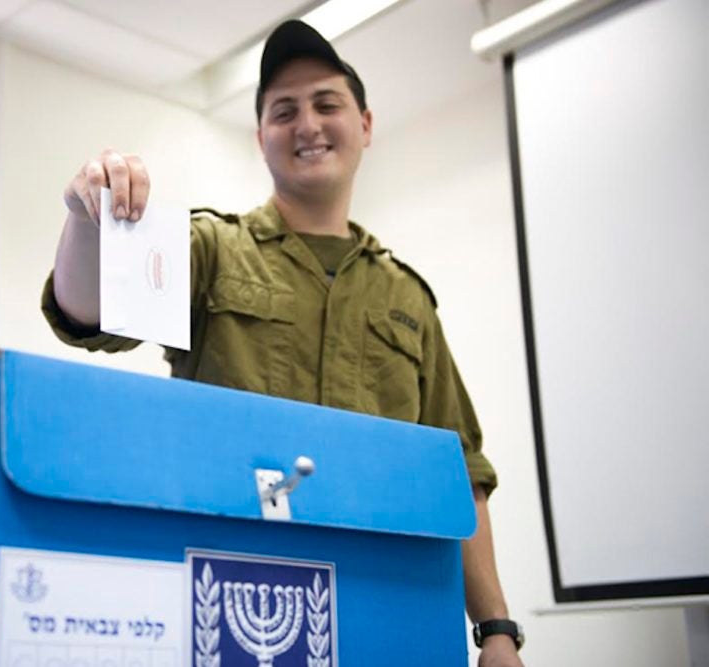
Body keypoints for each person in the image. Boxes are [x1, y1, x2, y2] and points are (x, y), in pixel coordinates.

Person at [42, 19, 524, 667]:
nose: (308, 124)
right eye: (283, 111)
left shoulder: (408, 300)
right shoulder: (213, 249)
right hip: (228, 602)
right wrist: (84, 218)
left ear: (367, 124)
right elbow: (86, 309)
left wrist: (496, 628)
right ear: (261, 138)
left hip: (388, 603)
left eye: (327, 104)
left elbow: (460, 473)